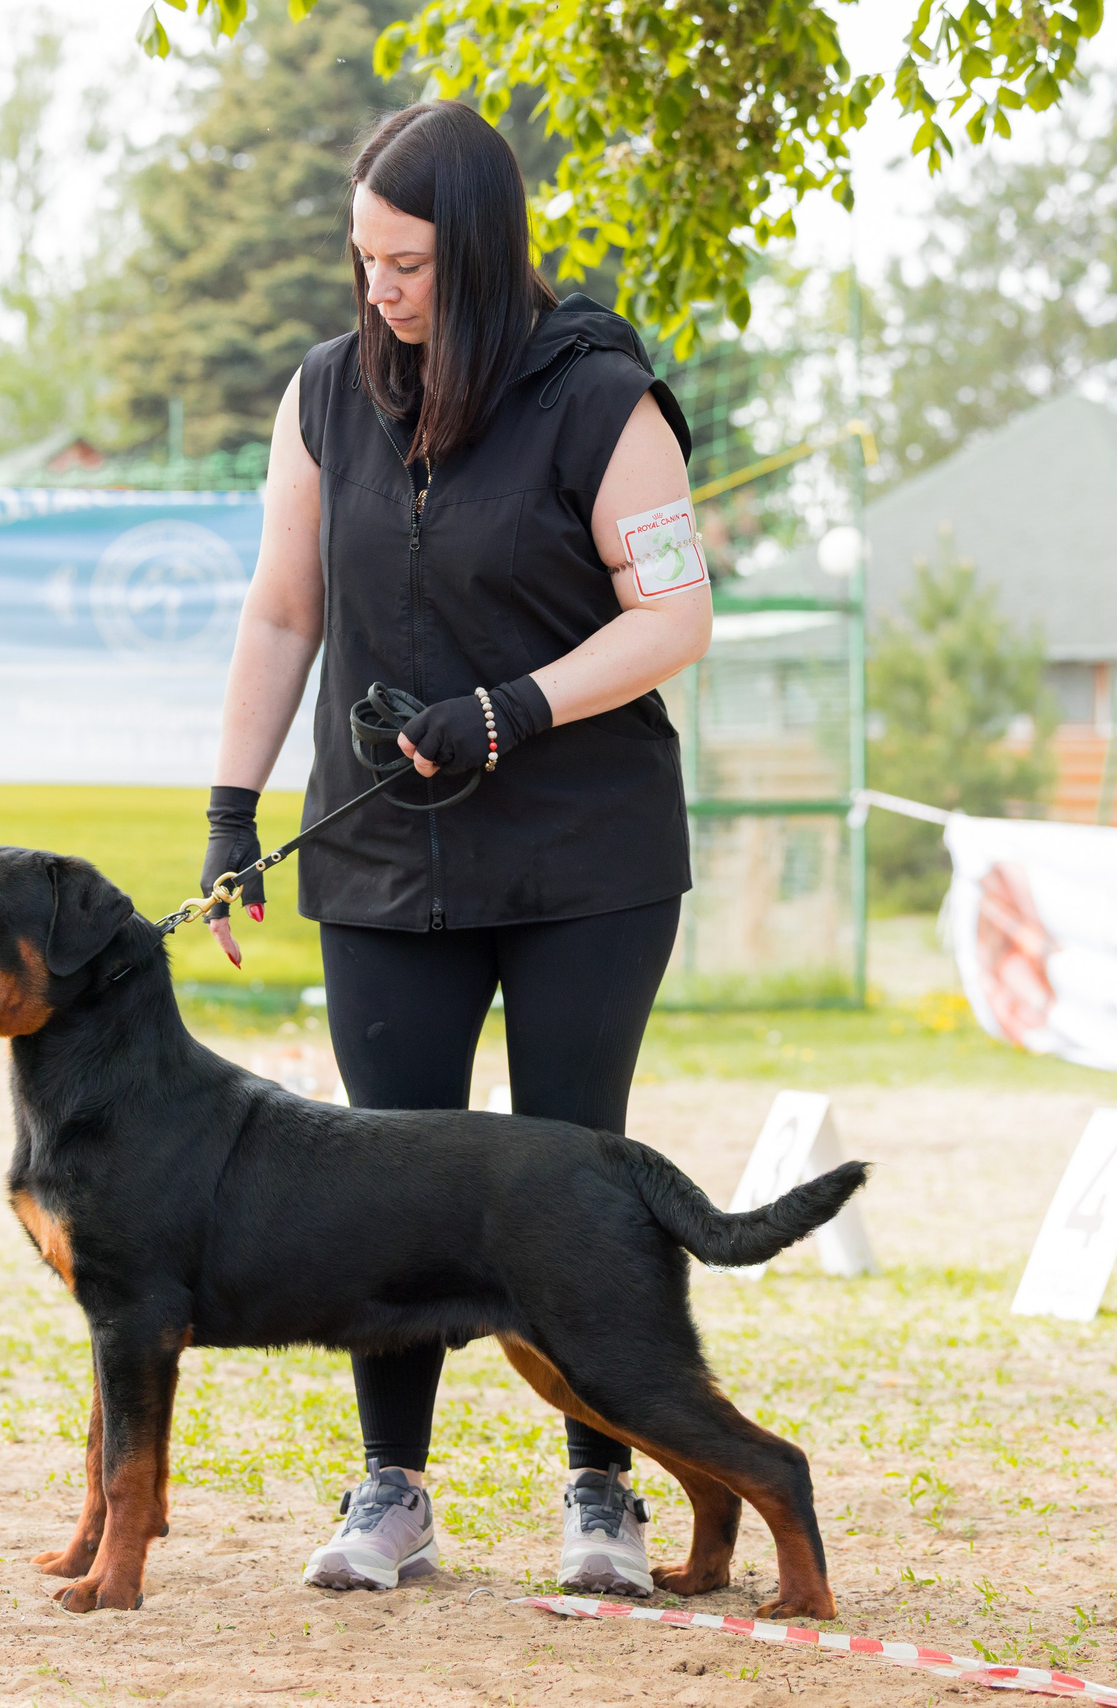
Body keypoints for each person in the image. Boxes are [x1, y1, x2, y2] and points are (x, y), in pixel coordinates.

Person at [199, 97, 712, 1598]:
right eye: (363, 259)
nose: (379, 292)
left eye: (408, 264)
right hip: (383, 861)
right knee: (385, 1182)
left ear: (478, 253)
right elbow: (284, 610)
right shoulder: (325, 395)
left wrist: (514, 710)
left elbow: (672, 618)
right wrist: (233, 810)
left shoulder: (603, 397)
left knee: (575, 1176)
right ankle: (393, 1493)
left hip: (584, 859)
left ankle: (602, 1492)